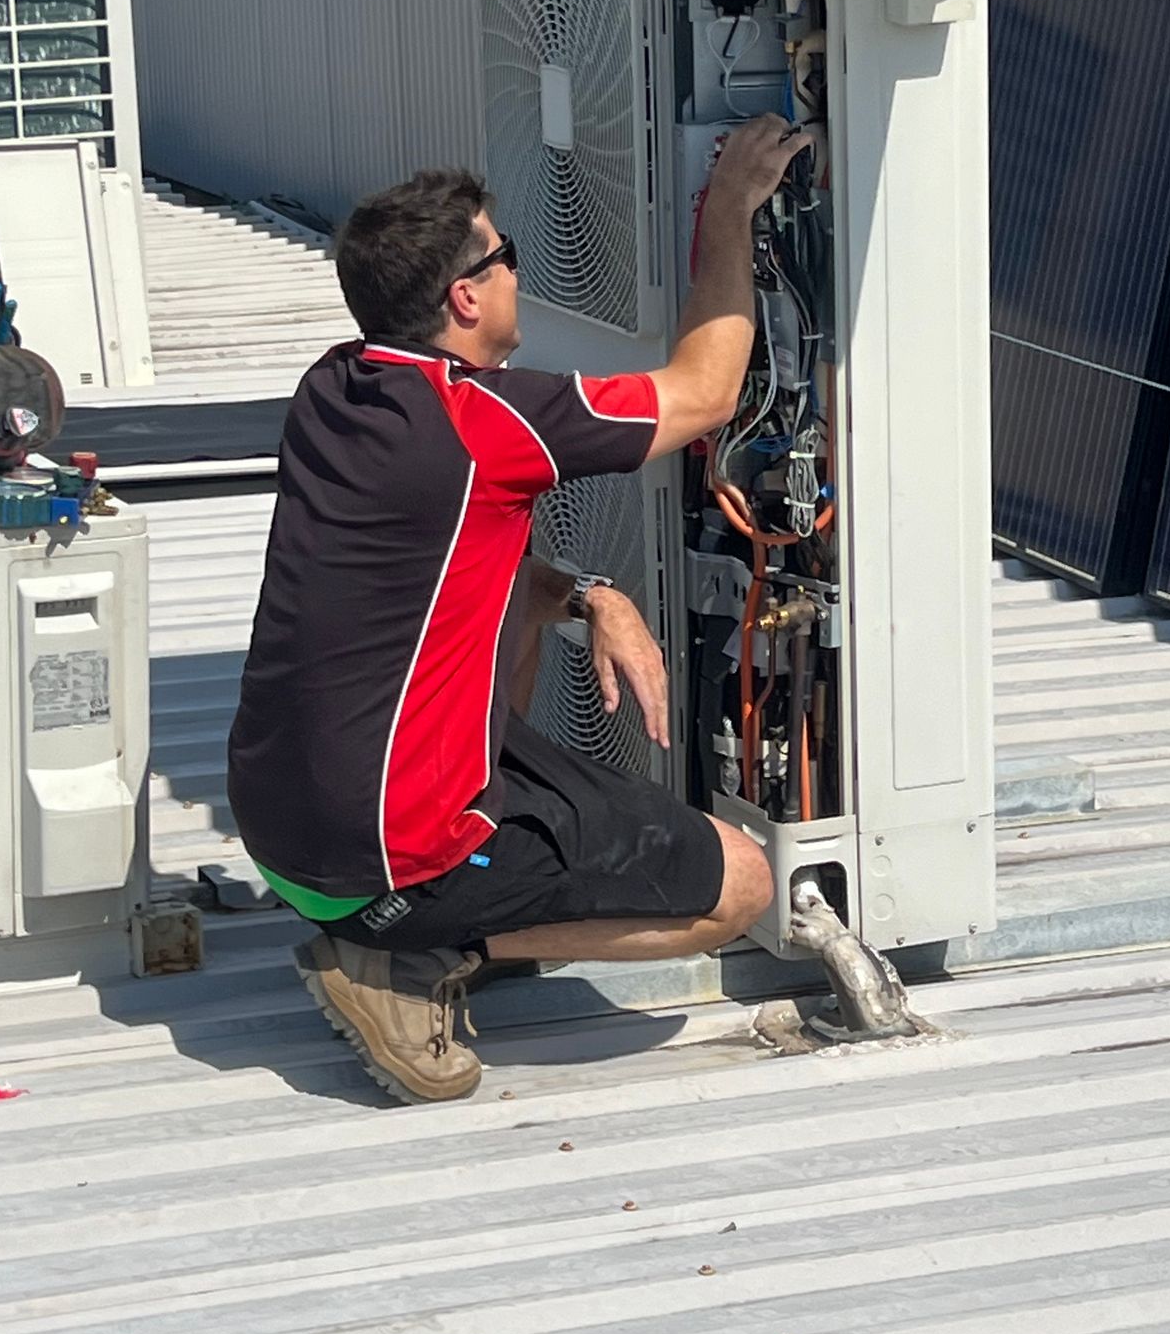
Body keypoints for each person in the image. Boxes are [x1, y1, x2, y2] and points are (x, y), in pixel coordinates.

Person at [226, 114, 809, 1102]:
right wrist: (729, 212)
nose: (515, 276)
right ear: (463, 295)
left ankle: (404, 909)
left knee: (525, 590)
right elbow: (705, 394)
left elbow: (468, 571)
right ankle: (399, 952)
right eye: (507, 258)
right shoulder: (482, 423)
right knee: (742, 881)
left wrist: (590, 596)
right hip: (377, 858)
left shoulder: (331, 387)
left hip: (284, 827)